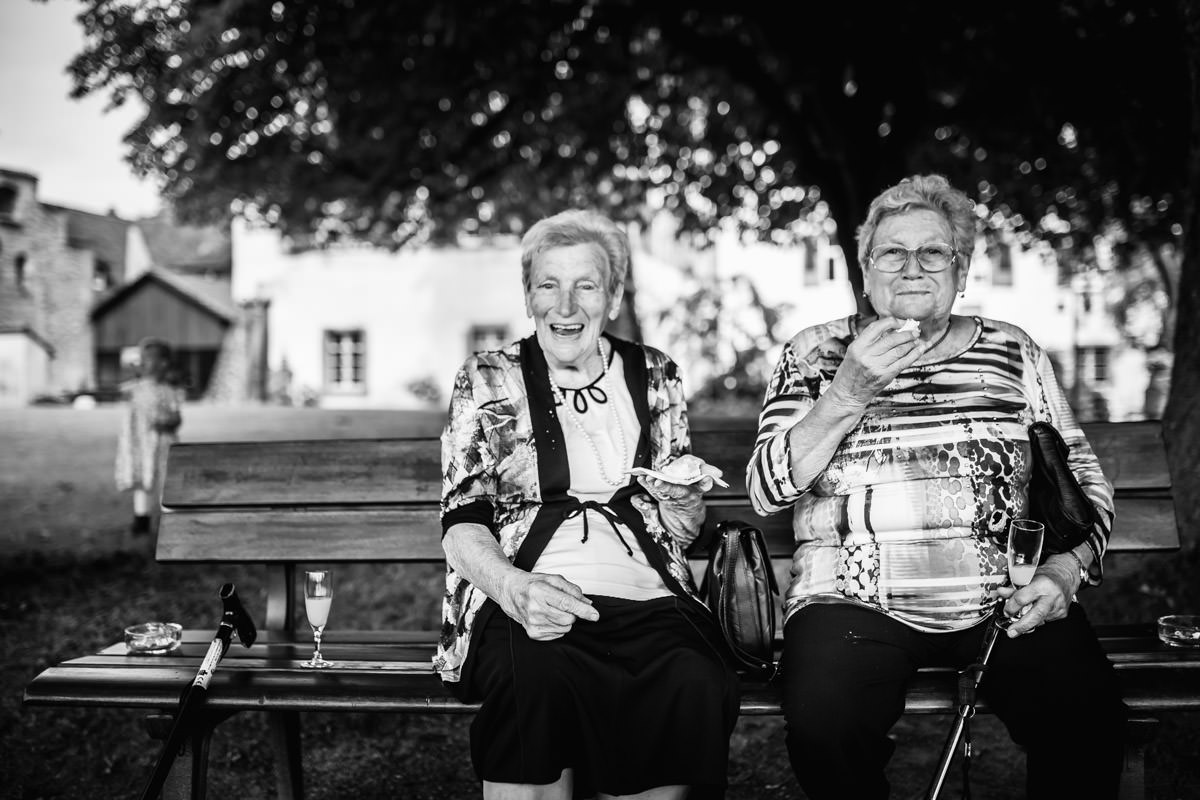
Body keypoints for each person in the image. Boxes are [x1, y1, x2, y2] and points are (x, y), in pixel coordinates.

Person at [747, 174, 1127, 799]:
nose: (912, 269)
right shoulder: (815, 353)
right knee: (826, 726)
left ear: (961, 270)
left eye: (933, 253)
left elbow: (1084, 481)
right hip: (851, 598)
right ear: (866, 270)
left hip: (1004, 596)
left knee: (1087, 717)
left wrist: (1063, 572)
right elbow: (765, 490)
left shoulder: (1013, 352)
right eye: (891, 253)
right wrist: (848, 392)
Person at [436, 209, 739, 800]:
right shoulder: (487, 378)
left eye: (586, 285)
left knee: (690, 675)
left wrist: (681, 504)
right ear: (529, 296)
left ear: (615, 295)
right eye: (548, 284)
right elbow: (461, 518)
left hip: (646, 592)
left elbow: (682, 527)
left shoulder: (656, 375)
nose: (566, 305)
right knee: (536, 677)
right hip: (528, 589)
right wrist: (514, 589)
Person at [114, 338, 184, 535]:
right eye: (141, 359)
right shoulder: (134, 389)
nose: (143, 362)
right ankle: (141, 518)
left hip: (162, 443)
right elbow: (122, 392)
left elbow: (177, 417)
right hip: (140, 444)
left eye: (148, 359)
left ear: (163, 363)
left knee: (164, 479)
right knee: (142, 479)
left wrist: (167, 422)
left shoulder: (169, 391)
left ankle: (170, 517)